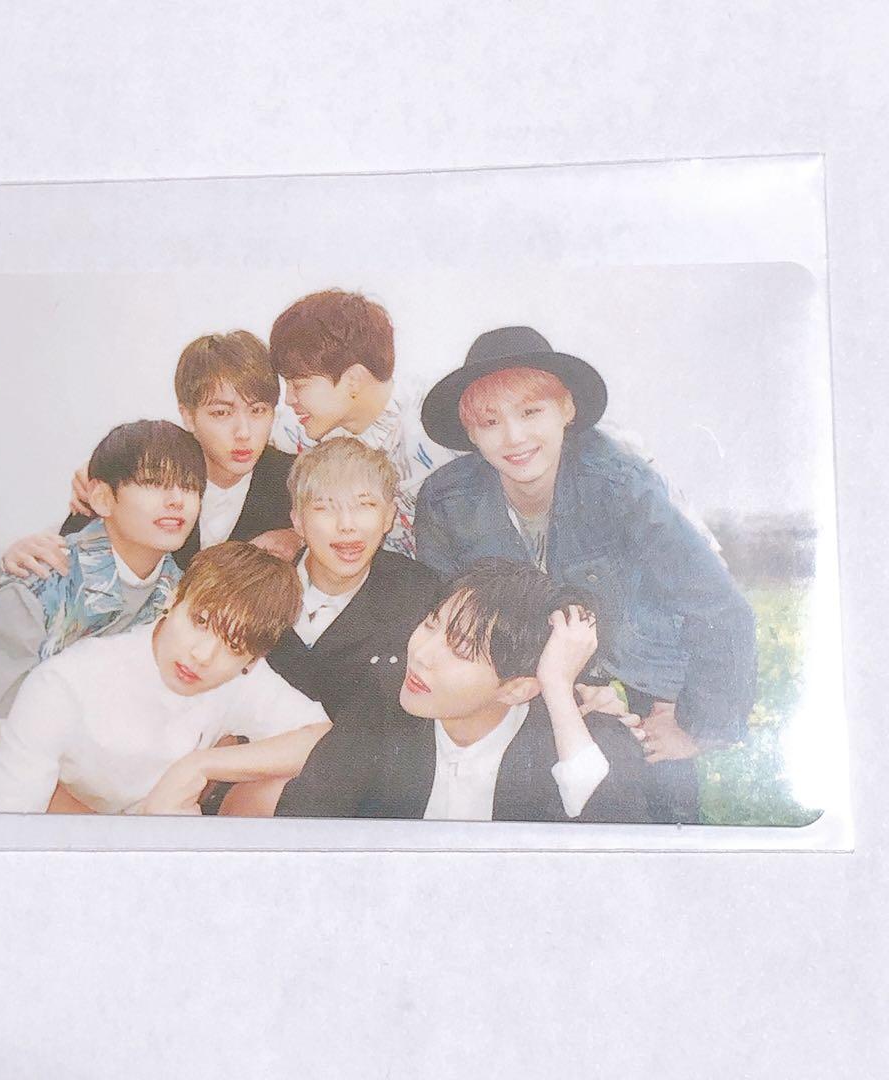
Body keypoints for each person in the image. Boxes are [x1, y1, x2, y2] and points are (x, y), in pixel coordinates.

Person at [412, 326, 757, 821]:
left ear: (567, 411)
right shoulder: (446, 500)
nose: (514, 438)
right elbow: (450, 623)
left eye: (531, 412)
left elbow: (718, 605)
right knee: (526, 815)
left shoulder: (620, 485)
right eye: (490, 422)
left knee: (653, 821)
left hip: (638, 686)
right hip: (524, 685)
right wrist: (561, 689)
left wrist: (695, 724)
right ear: (470, 434)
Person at [0, 420, 205, 811]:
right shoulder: (37, 587)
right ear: (102, 498)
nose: (176, 500)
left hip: (67, 792)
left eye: (190, 486)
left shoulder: (179, 598)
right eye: (154, 482)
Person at [0, 542, 331, 815]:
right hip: (73, 849)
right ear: (174, 599)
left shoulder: (241, 678)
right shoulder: (65, 683)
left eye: (233, 646)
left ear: (252, 660)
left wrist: (200, 764)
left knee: (283, 784)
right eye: (200, 621)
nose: (202, 655)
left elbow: (319, 738)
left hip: (167, 841)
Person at [277, 560, 652, 823]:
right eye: (430, 624)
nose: (421, 655)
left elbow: (617, 860)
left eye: (460, 649)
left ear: (517, 689)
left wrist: (556, 687)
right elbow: (303, 820)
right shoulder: (383, 702)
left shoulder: (582, 742)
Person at [2, 331, 297, 579]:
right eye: (221, 413)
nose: (243, 432)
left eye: (258, 410)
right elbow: (65, 552)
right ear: (188, 416)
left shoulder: (295, 482)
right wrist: (27, 554)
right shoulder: (142, 469)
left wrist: (301, 538)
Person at [264, 437, 445, 717]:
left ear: (389, 517)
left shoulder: (419, 595)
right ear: (297, 520)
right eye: (325, 507)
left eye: (365, 505)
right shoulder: (256, 587)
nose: (347, 526)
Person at [268, 288, 452, 557]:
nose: (288, 399)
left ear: (353, 380)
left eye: (299, 385)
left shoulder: (439, 427)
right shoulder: (301, 428)